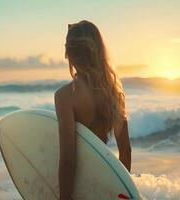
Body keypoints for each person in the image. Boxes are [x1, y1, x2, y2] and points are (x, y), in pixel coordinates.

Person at [54, 20, 131, 200]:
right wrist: (118, 192)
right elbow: (126, 152)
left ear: (69, 54)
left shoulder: (65, 96)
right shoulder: (114, 92)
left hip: (79, 188)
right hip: (101, 184)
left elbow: (67, 161)